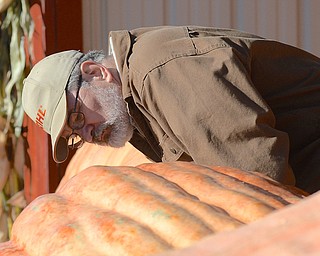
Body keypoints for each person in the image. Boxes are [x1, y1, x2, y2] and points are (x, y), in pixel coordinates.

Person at [22, 25, 320, 193]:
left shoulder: (155, 71)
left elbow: (260, 175)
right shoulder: (137, 109)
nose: (88, 134)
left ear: (95, 72)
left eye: (77, 116)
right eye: (75, 135)